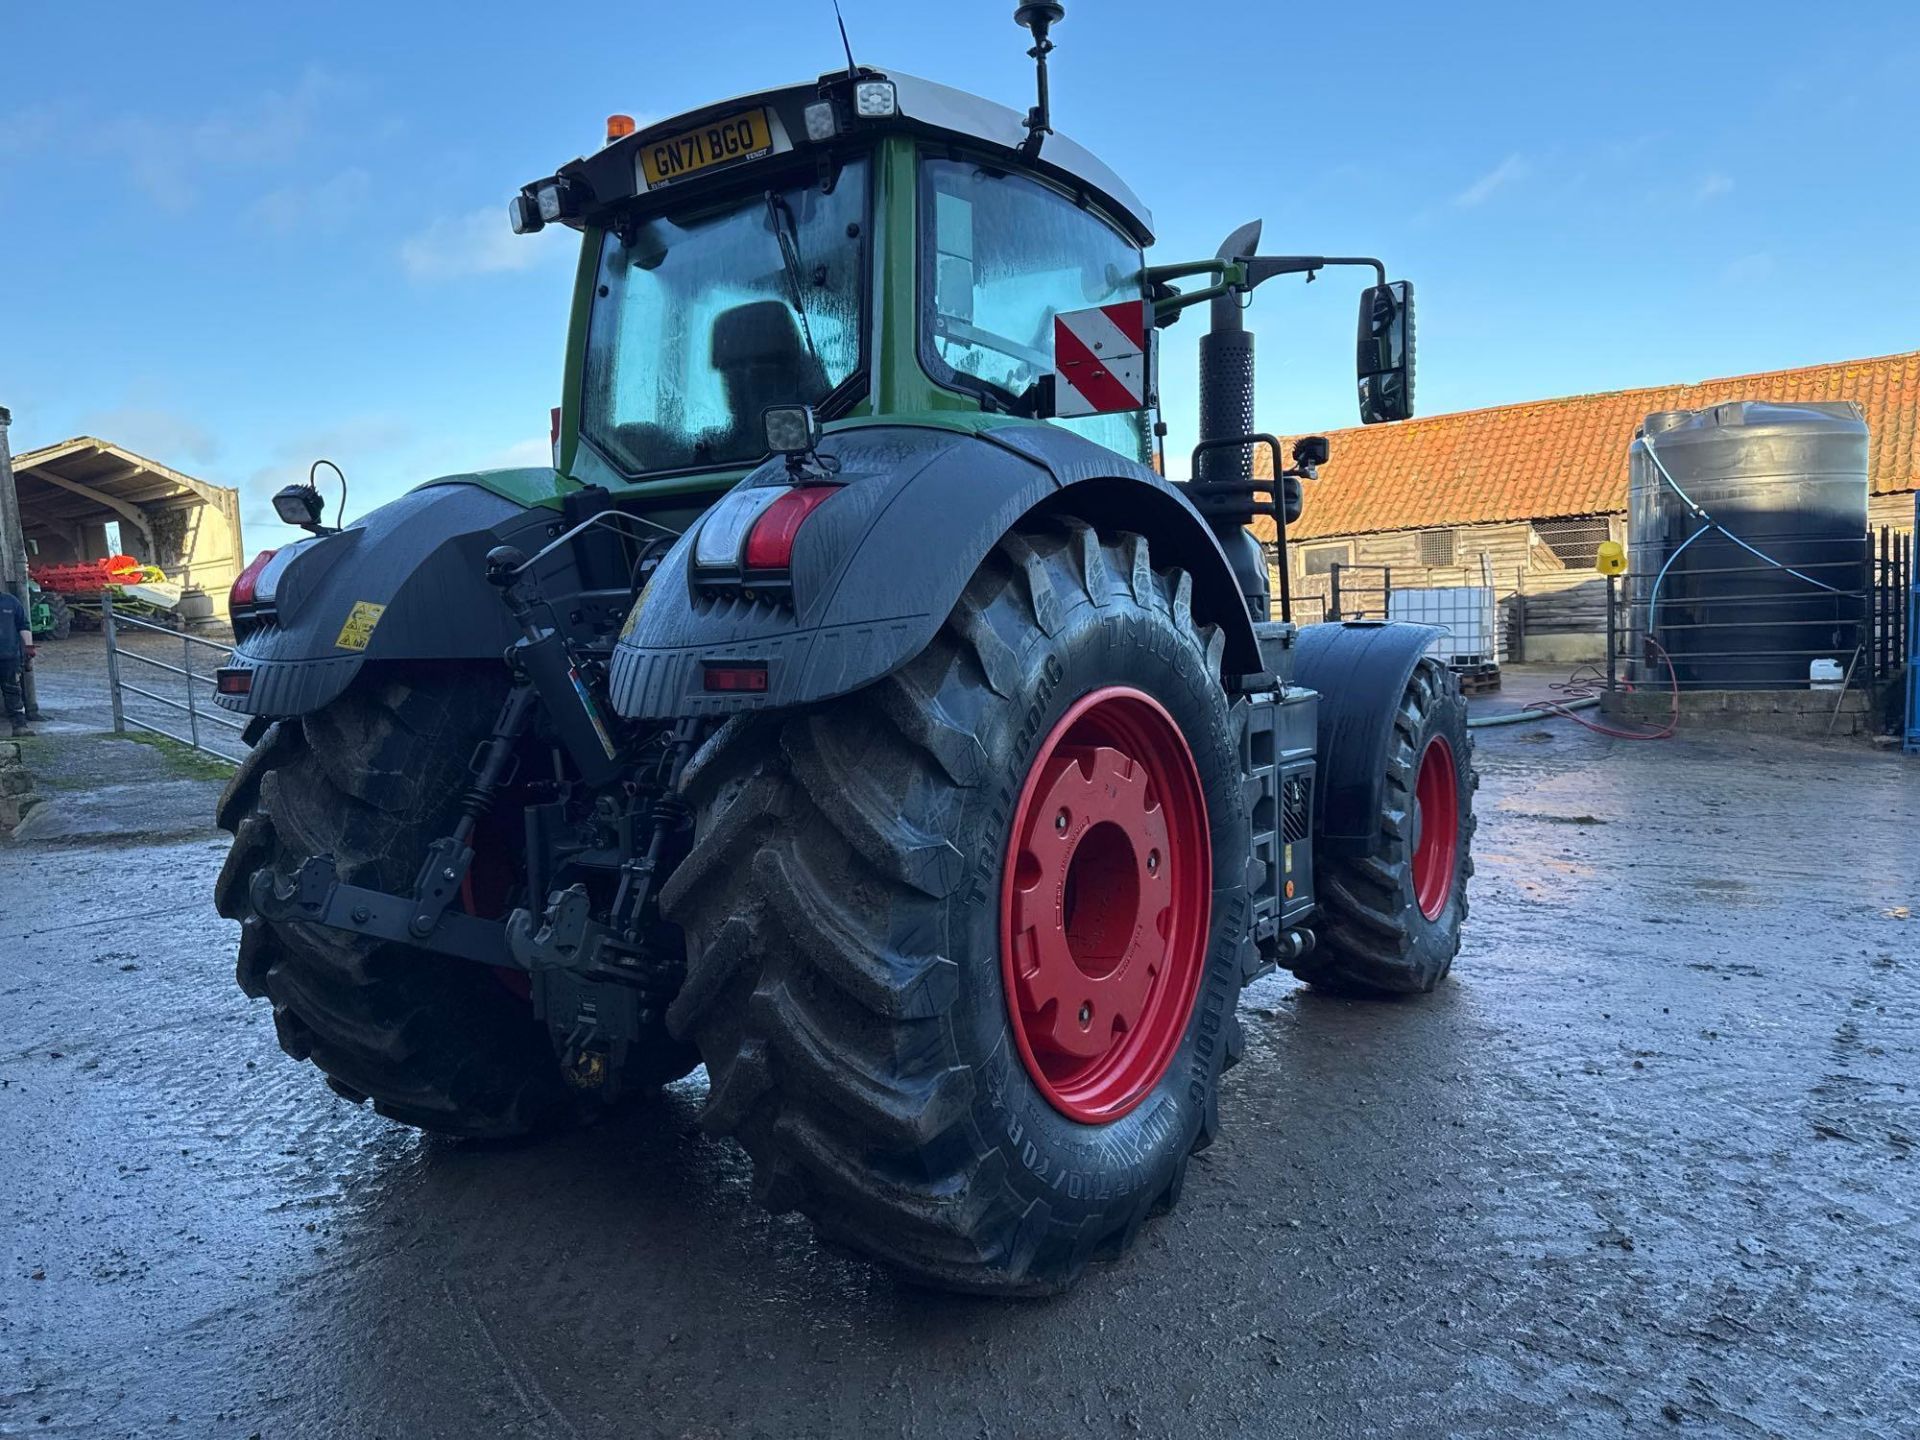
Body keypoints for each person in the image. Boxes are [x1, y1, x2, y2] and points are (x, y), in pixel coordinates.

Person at [0, 587, 33, 737]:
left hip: (9, 656)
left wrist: (29, 647)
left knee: (13, 690)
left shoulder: (11, 602)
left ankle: (20, 726)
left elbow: (23, 625)